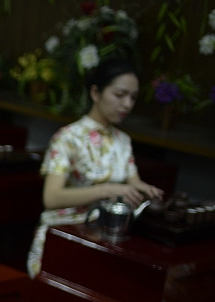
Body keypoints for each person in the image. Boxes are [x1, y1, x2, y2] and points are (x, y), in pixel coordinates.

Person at [26, 59, 163, 277]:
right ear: (96, 93)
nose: (127, 104)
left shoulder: (123, 141)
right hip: (63, 234)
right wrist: (109, 190)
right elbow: (51, 198)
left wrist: (147, 190)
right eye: (120, 95)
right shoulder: (68, 138)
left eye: (133, 97)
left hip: (107, 236)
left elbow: (133, 182)